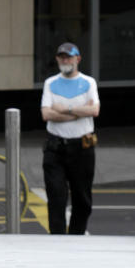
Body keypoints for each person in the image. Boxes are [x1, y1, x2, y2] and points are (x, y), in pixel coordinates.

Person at [40, 42, 100, 236]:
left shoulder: (89, 82)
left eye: (69, 57)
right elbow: (46, 114)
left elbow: (94, 110)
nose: (65, 60)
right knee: (56, 196)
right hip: (55, 147)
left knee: (82, 198)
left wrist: (64, 109)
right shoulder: (50, 83)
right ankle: (57, 238)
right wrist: (80, 112)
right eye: (61, 57)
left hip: (82, 147)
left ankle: (77, 236)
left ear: (78, 59)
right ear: (57, 59)